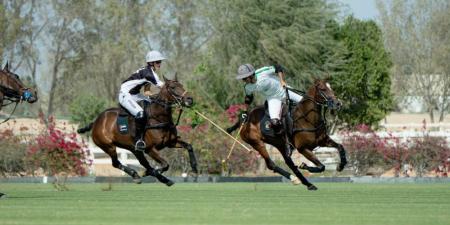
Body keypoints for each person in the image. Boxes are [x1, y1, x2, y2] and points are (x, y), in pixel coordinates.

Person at [236, 63, 303, 151]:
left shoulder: (262, 72)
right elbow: (249, 98)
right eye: (242, 79)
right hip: (273, 99)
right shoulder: (248, 87)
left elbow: (278, 67)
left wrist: (282, 81)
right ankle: (289, 142)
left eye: (245, 78)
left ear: (251, 75)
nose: (244, 80)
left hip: (283, 90)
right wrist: (245, 112)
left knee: (305, 102)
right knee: (275, 123)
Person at [118, 50, 166, 151]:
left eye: (160, 62)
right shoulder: (149, 74)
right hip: (125, 95)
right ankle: (138, 140)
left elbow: (147, 92)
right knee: (140, 113)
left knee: (154, 104)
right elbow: (165, 88)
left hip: (134, 94)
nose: (160, 64)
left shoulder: (149, 72)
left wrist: (153, 97)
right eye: (157, 62)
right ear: (151, 63)